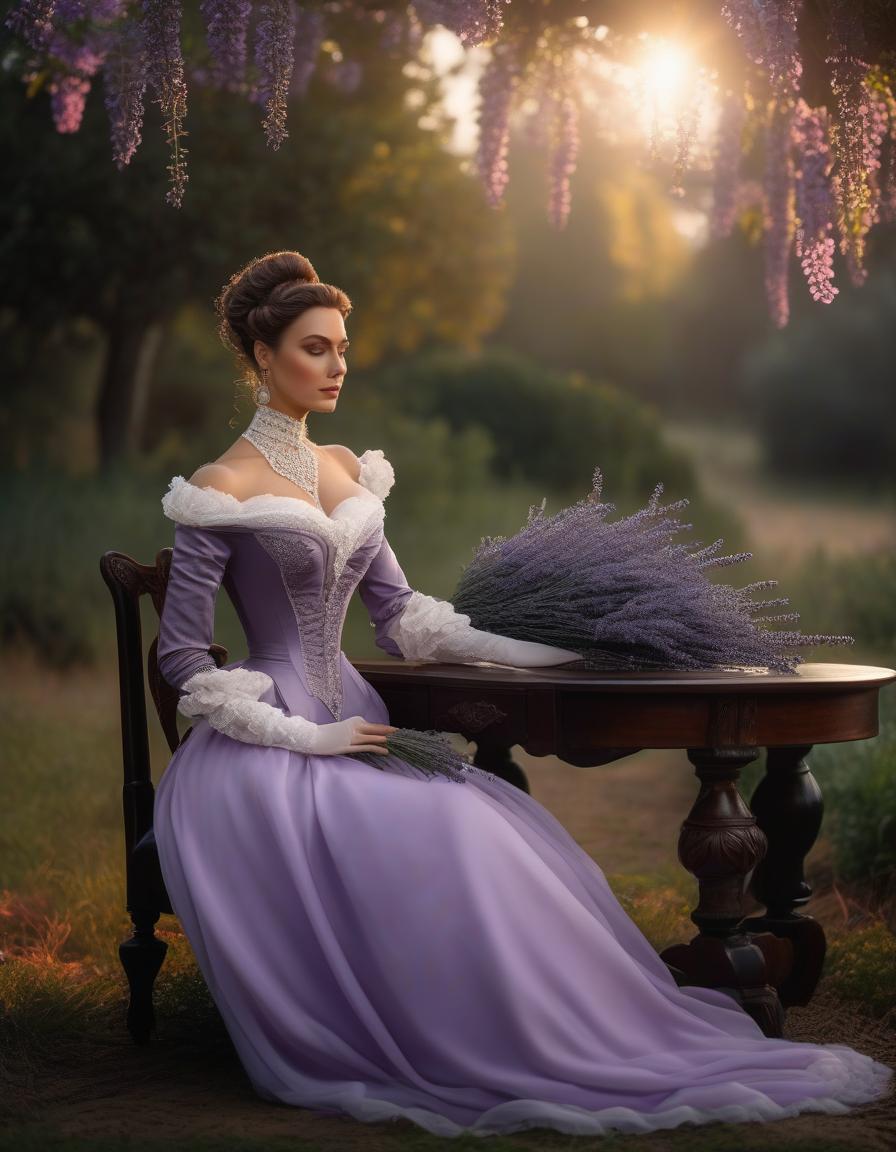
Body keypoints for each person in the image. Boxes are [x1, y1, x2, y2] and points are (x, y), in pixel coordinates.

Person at [153, 250, 892, 1138]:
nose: (339, 364)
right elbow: (183, 659)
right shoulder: (219, 489)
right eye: (317, 348)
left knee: (486, 826)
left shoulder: (348, 468)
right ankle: (451, 1038)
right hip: (269, 753)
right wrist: (310, 740)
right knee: (455, 830)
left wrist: (554, 651)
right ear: (264, 356)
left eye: (344, 347)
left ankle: (536, 1031)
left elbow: (407, 619)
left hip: (364, 723)